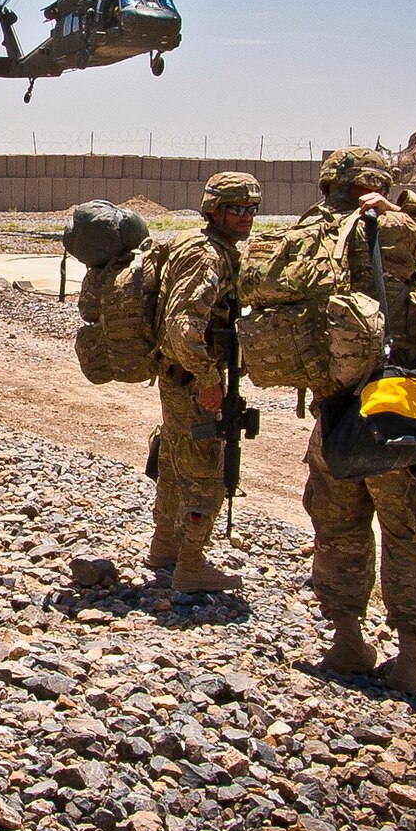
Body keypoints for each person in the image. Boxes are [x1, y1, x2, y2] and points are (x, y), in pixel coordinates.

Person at [298, 147, 416, 690]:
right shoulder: (387, 226)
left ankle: (346, 640)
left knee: (338, 523)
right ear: (374, 183)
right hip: (395, 406)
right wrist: (401, 204)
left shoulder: (308, 231)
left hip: (332, 406)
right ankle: (415, 657)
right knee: (412, 527)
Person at [149, 171, 260, 593]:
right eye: (237, 209)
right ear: (214, 209)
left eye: (251, 209)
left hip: (178, 376)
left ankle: (164, 548)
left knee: (176, 462)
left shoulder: (197, 245)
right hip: (194, 379)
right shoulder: (208, 256)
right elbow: (183, 326)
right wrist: (209, 377)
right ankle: (191, 566)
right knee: (204, 472)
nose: (246, 217)